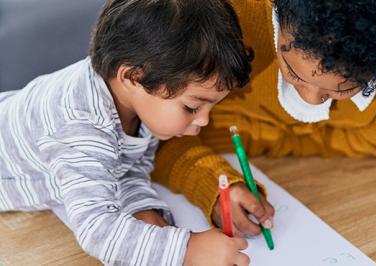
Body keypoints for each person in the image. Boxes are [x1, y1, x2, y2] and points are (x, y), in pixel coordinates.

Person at [0, 0, 254, 265]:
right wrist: (186, 249)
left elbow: (126, 167)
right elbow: (97, 230)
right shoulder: (79, 126)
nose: (203, 120)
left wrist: (139, 207)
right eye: (192, 107)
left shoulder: (139, 101)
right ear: (132, 77)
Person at [152, 0, 376, 238]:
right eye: (293, 72)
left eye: (343, 89)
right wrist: (211, 183)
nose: (311, 101)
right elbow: (152, 135)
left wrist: (262, 135)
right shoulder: (220, 20)